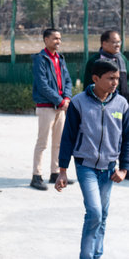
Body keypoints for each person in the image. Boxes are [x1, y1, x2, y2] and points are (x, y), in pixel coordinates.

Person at [55, 59, 129, 259]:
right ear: (96, 78)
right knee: (95, 212)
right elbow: (68, 137)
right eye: (110, 78)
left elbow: (127, 138)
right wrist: (62, 170)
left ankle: (97, 254)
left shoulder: (121, 104)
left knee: (102, 216)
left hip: (110, 169)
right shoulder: (79, 102)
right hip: (85, 166)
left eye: (117, 78)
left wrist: (124, 168)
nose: (115, 82)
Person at [31, 28, 73, 190]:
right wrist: (60, 101)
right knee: (42, 143)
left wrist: (67, 98)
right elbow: (42, 85)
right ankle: (36, 175)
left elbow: (67, 80)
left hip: (60, 107)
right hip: (46, 107)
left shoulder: (60, 59)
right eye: (55, 38)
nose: (58, 41)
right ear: (46, 40)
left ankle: (55, 173)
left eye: (60, 38)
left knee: (59, 143)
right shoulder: (40, 59)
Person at [83, 30, 128, 100]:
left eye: (119, 42)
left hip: (122, 101)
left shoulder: (123, 59)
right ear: (104, 44)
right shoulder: (94, 61)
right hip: (99, 102)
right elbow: (88, 84)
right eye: (114, 42)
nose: (118, 45)